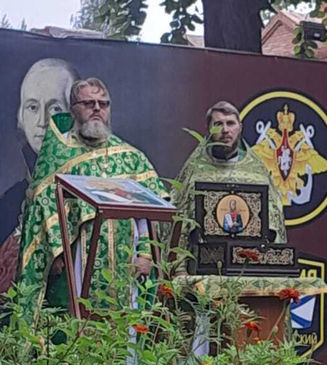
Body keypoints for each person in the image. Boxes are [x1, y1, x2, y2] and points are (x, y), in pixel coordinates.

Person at [16, 77, 168, 323]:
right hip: (77, 262)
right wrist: (52, 253)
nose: (97, 109)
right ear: (73, 109)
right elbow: (42, 211)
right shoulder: (59, 154)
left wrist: (145, 254)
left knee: (123, 333)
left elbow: (147, 214)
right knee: (77, 327)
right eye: (88, 103)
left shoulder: (130, 157)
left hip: (125, 261)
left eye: (103, 104)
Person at [170, 100, 287, 273]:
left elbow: (273, 226)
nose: (225, 130)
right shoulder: (195, 172)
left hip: (248, 269)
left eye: (230, 123)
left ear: (240, 127)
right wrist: (179, 272)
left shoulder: (257, 173)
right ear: (209, 128)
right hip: (203, 271)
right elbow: (178, 224)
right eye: (218, 124)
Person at [0, 59, 80, 293]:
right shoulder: (12, 199)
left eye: (55, 108)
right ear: (20, 117)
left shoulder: (87, 182)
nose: (42, 121)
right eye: (33, 107)